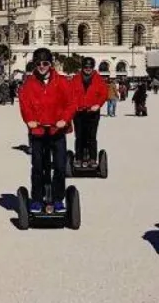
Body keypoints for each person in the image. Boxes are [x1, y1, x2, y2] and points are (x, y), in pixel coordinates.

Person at [19, 47, 75, 212]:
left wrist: (64, 119)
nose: (42, 66)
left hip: (57, 131)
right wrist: (29, 120)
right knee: (38, 166)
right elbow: (25, 104)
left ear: (50, 64)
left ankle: (58, 198)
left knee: (59, 166)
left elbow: (71, 103)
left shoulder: (62, 81)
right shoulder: (29, 84)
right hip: (38, 131)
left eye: (45, 63)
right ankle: (37, 198)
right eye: (38, 63)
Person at [70, 57, 108, 166]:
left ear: (93, 67)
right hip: (79, 112)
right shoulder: (75, 79)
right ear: (82, 67)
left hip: (92, 113)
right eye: (86, 66)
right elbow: (70, 94)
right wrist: (74, 105)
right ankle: (79, 158)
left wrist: (98, 104)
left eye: (90, 66)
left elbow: (104, 94)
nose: (88, 69)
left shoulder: (99, 79)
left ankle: (92, 158)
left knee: (91, 136)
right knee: (79, 136)